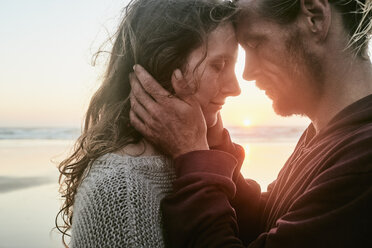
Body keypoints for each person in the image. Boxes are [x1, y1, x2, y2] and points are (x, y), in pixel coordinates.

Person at [129, 0, 372, 247]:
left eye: (255, 43)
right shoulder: (328, 134)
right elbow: (269, 224)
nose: (247, 73)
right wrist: (213, 146)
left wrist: (192, 156)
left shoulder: (364, 156)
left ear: (315, 18)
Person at [55, 0, 241, 247]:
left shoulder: (191, 161)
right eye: (218, 65)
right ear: (164, 63)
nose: (236, 88)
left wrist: (207, 149)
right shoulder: (120, 191)